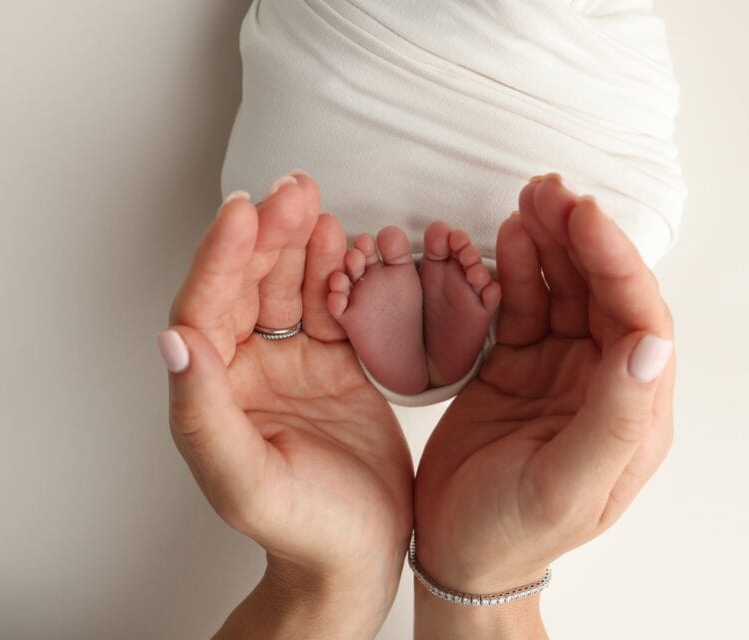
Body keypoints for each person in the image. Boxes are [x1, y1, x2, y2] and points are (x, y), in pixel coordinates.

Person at [155, 171, 675, 638]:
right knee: (610, 238)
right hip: (559, 297)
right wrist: (484, 578)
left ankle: (420, 366)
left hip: (296, 270)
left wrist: (332, 580)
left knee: (280, 211)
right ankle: (426, 363)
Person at [221, 0, 687, 404]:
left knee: (286, 208)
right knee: (620, 231)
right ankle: (438, 347)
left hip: (323, 126)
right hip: (583, 173)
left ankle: (417, 351)